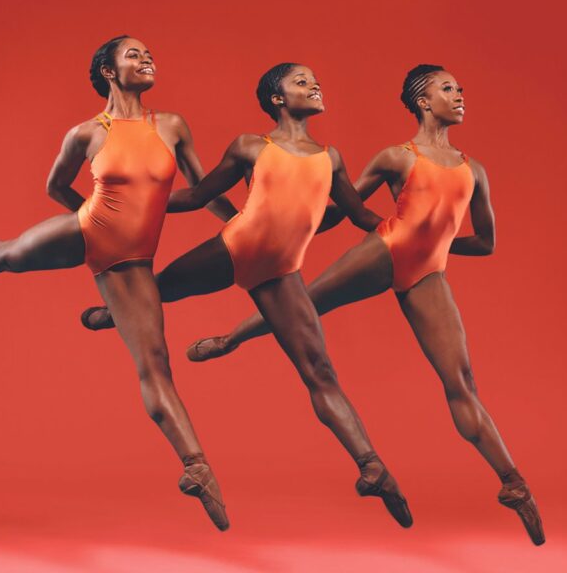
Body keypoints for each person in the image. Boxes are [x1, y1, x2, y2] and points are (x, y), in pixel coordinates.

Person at [177, 65, 545, 544]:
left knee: (461, 382)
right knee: (306, 302)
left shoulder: (474, 171)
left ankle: (513, 483)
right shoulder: (398, 157)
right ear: (422, 101)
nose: (459, 95)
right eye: (448, 88)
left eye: (460, 89)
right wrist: (285, 227)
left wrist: (435, 242)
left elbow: (485, 244)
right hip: (383, 249)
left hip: (428, 273)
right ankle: (232, 337)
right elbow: (340, 208)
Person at [0, 36, 236, 531]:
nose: (147, 59)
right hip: (87, 228)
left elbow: (199, 190)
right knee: (10, 255)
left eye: (149, 53)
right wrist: (96, 217)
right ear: (108, 71)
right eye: (134, 55)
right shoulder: (86, 133)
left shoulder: (171, 125)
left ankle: (196, 469)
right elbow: (55, 186)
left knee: (155, 364)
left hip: (132, 260)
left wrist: (237, 224)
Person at [80, 63, 413, 527]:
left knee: (319, 370)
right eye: (302, 81)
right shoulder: (251, 146)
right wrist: (131, 202)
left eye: (317, 80)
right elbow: (198, 197)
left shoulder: (330, 158)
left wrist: (404, 230)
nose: (315, 85)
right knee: (156, 294)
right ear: (277, 98)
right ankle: (112, 313)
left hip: (280, 272)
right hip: (235, 248)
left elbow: (355, 214)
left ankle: (371, 466)